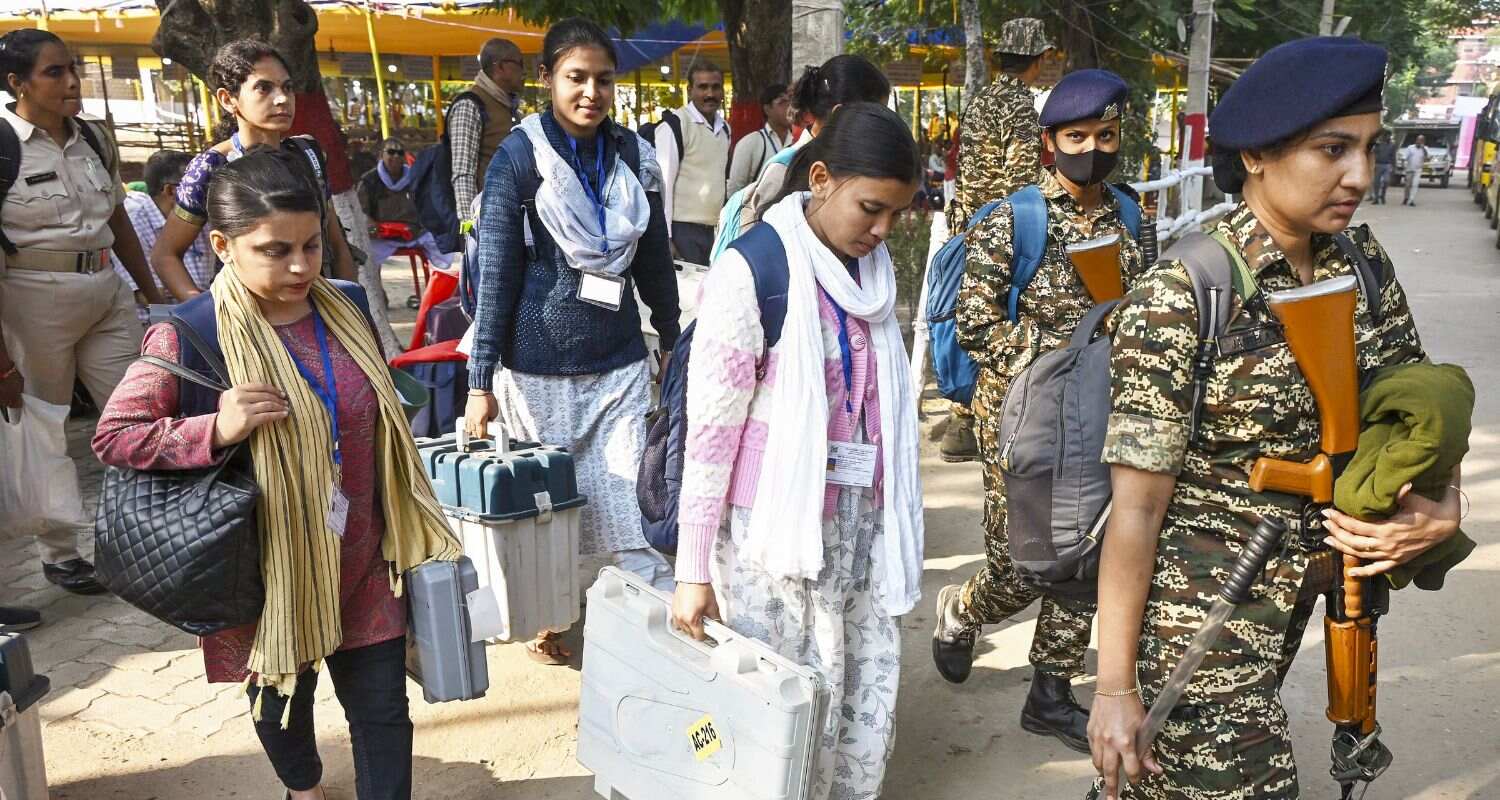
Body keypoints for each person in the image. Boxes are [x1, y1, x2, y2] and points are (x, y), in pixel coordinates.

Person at [1086, 38, 1458, 800]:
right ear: (1256, 154)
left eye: (1369, 148)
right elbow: (1136, 508)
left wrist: (1442, 508)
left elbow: (1413, 406)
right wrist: (1113, 688)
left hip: (1321, 587)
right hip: (1205, 614)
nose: (1360, 176)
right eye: (1333, 150)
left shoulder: (1361, 264)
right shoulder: (1184, 292)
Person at [94, 147, 463, 800]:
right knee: (283, 709)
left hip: (364, 555)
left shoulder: (347, 307)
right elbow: (115, 436)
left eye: (311, 246)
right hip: (264, 573)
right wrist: (215, 428)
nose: (300, 267)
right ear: (223, 246)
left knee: (383, 712)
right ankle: (303, 785)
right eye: (274, 250)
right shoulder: (192, 334)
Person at [671, 102, 925, 800]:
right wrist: (693, 569)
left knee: (855, 699)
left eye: (896, 214)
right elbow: (710, 434)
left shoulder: (873, 276)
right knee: (771, 711)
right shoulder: (754, 270)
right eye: (871, 208)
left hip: (860, 531)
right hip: (773, 544)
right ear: (820, 180)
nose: (883, 230)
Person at [931, 69, 1146, 753]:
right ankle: (962, 611)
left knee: (1086, 552)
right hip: (1021, 418)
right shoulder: (1014, 219)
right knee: (1024, 564)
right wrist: (1059, 356)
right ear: (1050, 142)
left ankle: (1050, 694)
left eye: (1105, 136)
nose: (1092, 149)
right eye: (1077, 137)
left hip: (1100, 414)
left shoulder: (1131, 216)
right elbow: (974, 322)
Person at [462, 18, 681, 665]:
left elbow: (654, 259)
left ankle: (653, 641)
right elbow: (496, 274)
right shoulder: (518, 159)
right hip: (535, 373)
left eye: (603, 80)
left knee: (628, 502)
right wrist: (480, 382)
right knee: (551, 512)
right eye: (576, 78)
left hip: (618, 364)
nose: (591, 92)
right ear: (547, 79)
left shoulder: (634, 157)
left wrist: (671, 336)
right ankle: (551, 616)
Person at [0, 29, 165, 596]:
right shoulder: (3, 145)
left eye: (73, 68)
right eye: (55, 72)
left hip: (106, 292)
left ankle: (149, 535)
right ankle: (60, 553)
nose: (72, 81)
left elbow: (117, 218)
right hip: (31, 302)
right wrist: (3, 362)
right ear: (17, 83)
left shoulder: (93, 136)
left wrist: (150, 292)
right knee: (45, 426)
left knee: (136, 409)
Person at [152, 39, 356, 301]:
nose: (282, 99)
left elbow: (337, 245)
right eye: (263, 88)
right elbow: (165, 255)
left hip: (313, 304)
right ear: (228, 99)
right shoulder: (212, 167)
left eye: (287, 87)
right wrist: (205, 311)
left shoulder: (308, 155)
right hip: (245, 312)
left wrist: (349, 308)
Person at [942, 17, 1055, 464]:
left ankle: (959, 421)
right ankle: (996, 418)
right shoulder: (1021, 107)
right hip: (1003, 232)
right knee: (1003, 319)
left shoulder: (981, 100)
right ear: (1039, 59)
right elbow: (1022, 181)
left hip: (968, 226)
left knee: (970, 314)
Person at [733, 55, 892, 238]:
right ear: (840, 114)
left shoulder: (849, 165)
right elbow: (757, 245)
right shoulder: (784, 170)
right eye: (874, 118)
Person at [112, 150, 215, 315]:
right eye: (201, 188)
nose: (208, 194)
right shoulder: (134, 223)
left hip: (201, 310)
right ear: (171, 191)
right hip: (157, 319)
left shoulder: (203, 219)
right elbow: (146, 295)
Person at [656, 59, 730, 265]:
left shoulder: (725, 129)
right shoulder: (675, 125)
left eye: (715, 87)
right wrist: (665, 237)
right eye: (703, 87)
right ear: (690, 91)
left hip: (714, 231)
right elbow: (662, 185)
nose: (710, 94)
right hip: (681, 231)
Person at [449, 37, 526, 227]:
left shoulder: (509, 107)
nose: (524, 72)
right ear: (500, 67)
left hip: (510, 216)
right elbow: (463, 173)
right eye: (519, 63)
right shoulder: (470, 105)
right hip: (486, 221)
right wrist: (470, 227)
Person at [358, 137, 452, 269]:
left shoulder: (416, 177)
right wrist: (374, 229)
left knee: (446, 245)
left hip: (416, 233)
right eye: (391, 152)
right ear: (381, 155)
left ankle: (439, 278)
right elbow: (362, 212)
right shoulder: (369, 181)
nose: (396, 156)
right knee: (365, 258)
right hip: (382, 236)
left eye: (400, 153)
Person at [726, 82, 793, 197]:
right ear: (767, 109)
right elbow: (735, 190)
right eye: (782, 103)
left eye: (790, 102)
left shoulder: (797, 141)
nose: (789, 108)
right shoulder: (750, 143)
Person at [1401, 133, 1428, 206]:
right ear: (1416, 140)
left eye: (1421, 140)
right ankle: (1406, 198)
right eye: (1418, 140)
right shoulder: (1410, 147)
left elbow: (1426, 158)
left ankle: (1411, 200)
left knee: (1415, 185)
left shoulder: (1425, 149)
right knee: (1407, 185)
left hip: (1418, 170)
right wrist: (1403, 166)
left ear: (1423, 142)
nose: (1419, 141)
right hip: (1409, 169)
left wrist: (1423, 148)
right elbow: (1404, 157)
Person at [1370, 130, 1394, 204]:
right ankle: (1376, 198)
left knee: (1386, 181)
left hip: (1387, 165)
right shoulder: (1378, 144)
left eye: (1389, 136)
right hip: (1378, 164)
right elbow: (1373, 153)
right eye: (1386, 136)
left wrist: (1394, 166)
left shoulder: (1392, 145)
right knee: (1376, 182)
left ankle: (1383, 195)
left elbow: (1393, 156)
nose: (1388, 137)